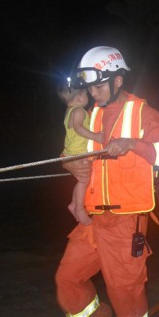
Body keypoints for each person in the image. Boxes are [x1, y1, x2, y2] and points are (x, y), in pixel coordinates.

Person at [55, 46, 159, 317]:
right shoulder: (94, 114)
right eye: (89, 88)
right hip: (91, 220)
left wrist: (134, 144)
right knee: (67, 280)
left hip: (126, 224)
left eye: (98, 87)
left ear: (118, 80)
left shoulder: (142, 113)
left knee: (125, 294)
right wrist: (69, 163)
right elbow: (72, 150)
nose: (92, 94)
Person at [57, 85, 104, 226]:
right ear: (79, 97)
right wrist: (96, 137)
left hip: (72, 151)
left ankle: (73, 204)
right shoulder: (79, 111)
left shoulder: (69, 111)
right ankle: (78, 208)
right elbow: (78, 128)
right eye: (86, 95)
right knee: (83, 180)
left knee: (82, 181)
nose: (88, 97)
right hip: (77, 152)